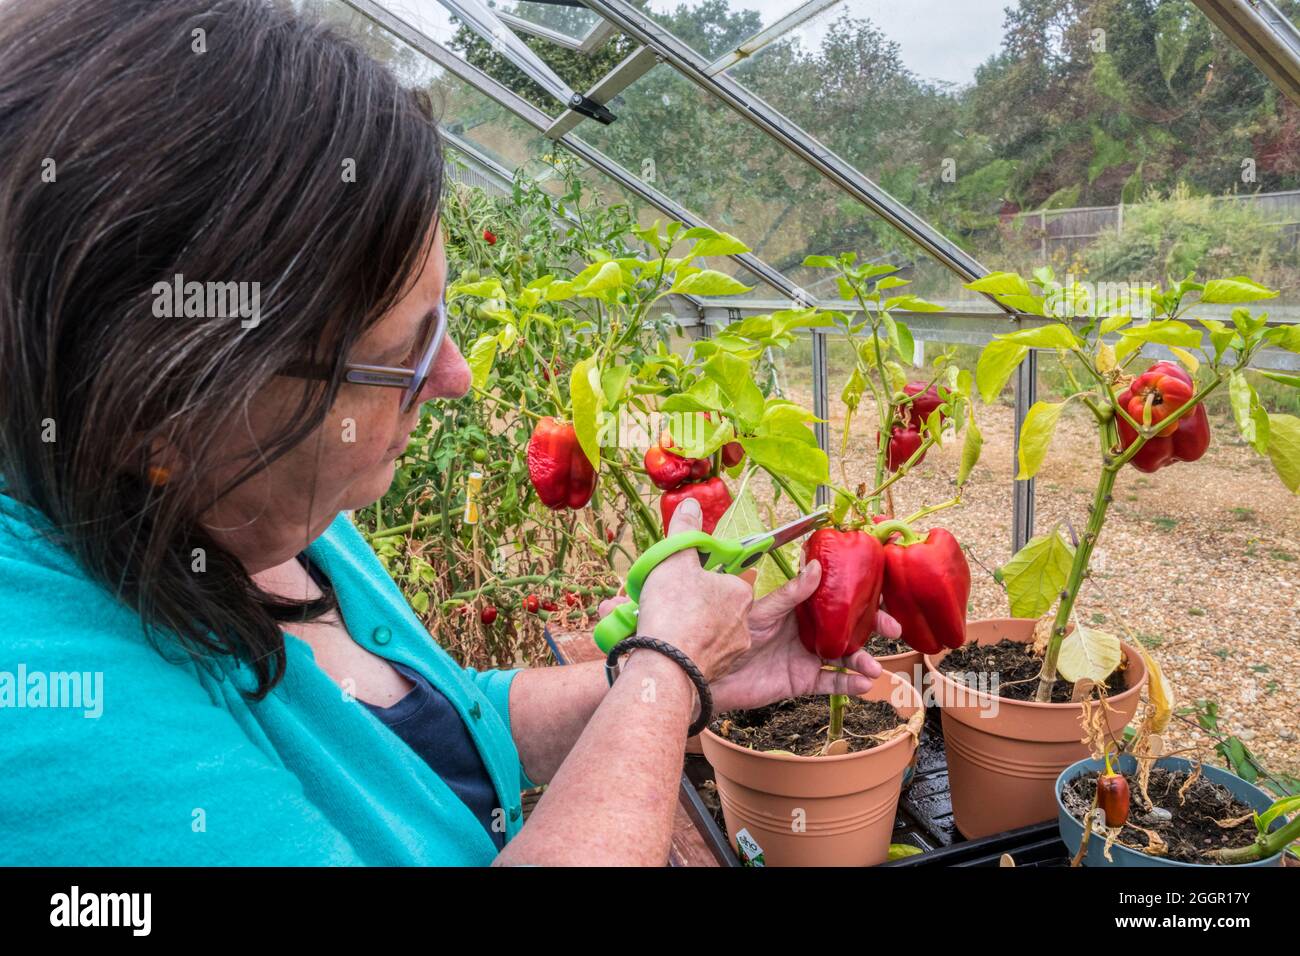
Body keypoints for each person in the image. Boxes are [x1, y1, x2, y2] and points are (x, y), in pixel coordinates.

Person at [0, 0, 894, 865]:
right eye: (404, 351)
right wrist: (665, 678)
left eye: (441, 320)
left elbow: (443, 729)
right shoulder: (48, 715)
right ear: (162, 409)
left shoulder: (273, 502)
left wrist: (664, 681)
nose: (458, 375)